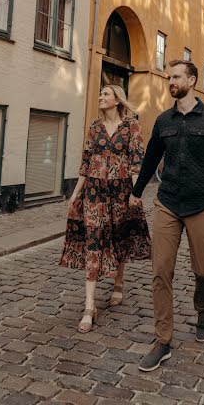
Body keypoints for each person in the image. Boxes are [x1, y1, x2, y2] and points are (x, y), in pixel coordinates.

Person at [129, 60, 204, 372]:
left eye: (177, 77)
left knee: (203, 270)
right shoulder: (164, 120)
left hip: (202, 204)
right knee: (160, 271)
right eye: (169, 77)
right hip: (168, 203)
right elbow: (151, 158)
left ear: (192, 80)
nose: (171, 81)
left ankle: (203, 308)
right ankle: (162, 340)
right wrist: (137, 191)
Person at [59, 85, 151, 333]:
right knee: (93, 243)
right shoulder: (94, 127)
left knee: (119, 238)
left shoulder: (131, 126)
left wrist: (136, 193)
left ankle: (118, 283)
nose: (101, 97)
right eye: (99, 93)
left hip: (121, 192)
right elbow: (86, 161)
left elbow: (136, 161)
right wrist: (76, 193)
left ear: (117, 100)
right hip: (94, 192)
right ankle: (89, 306)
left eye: (105, 94)